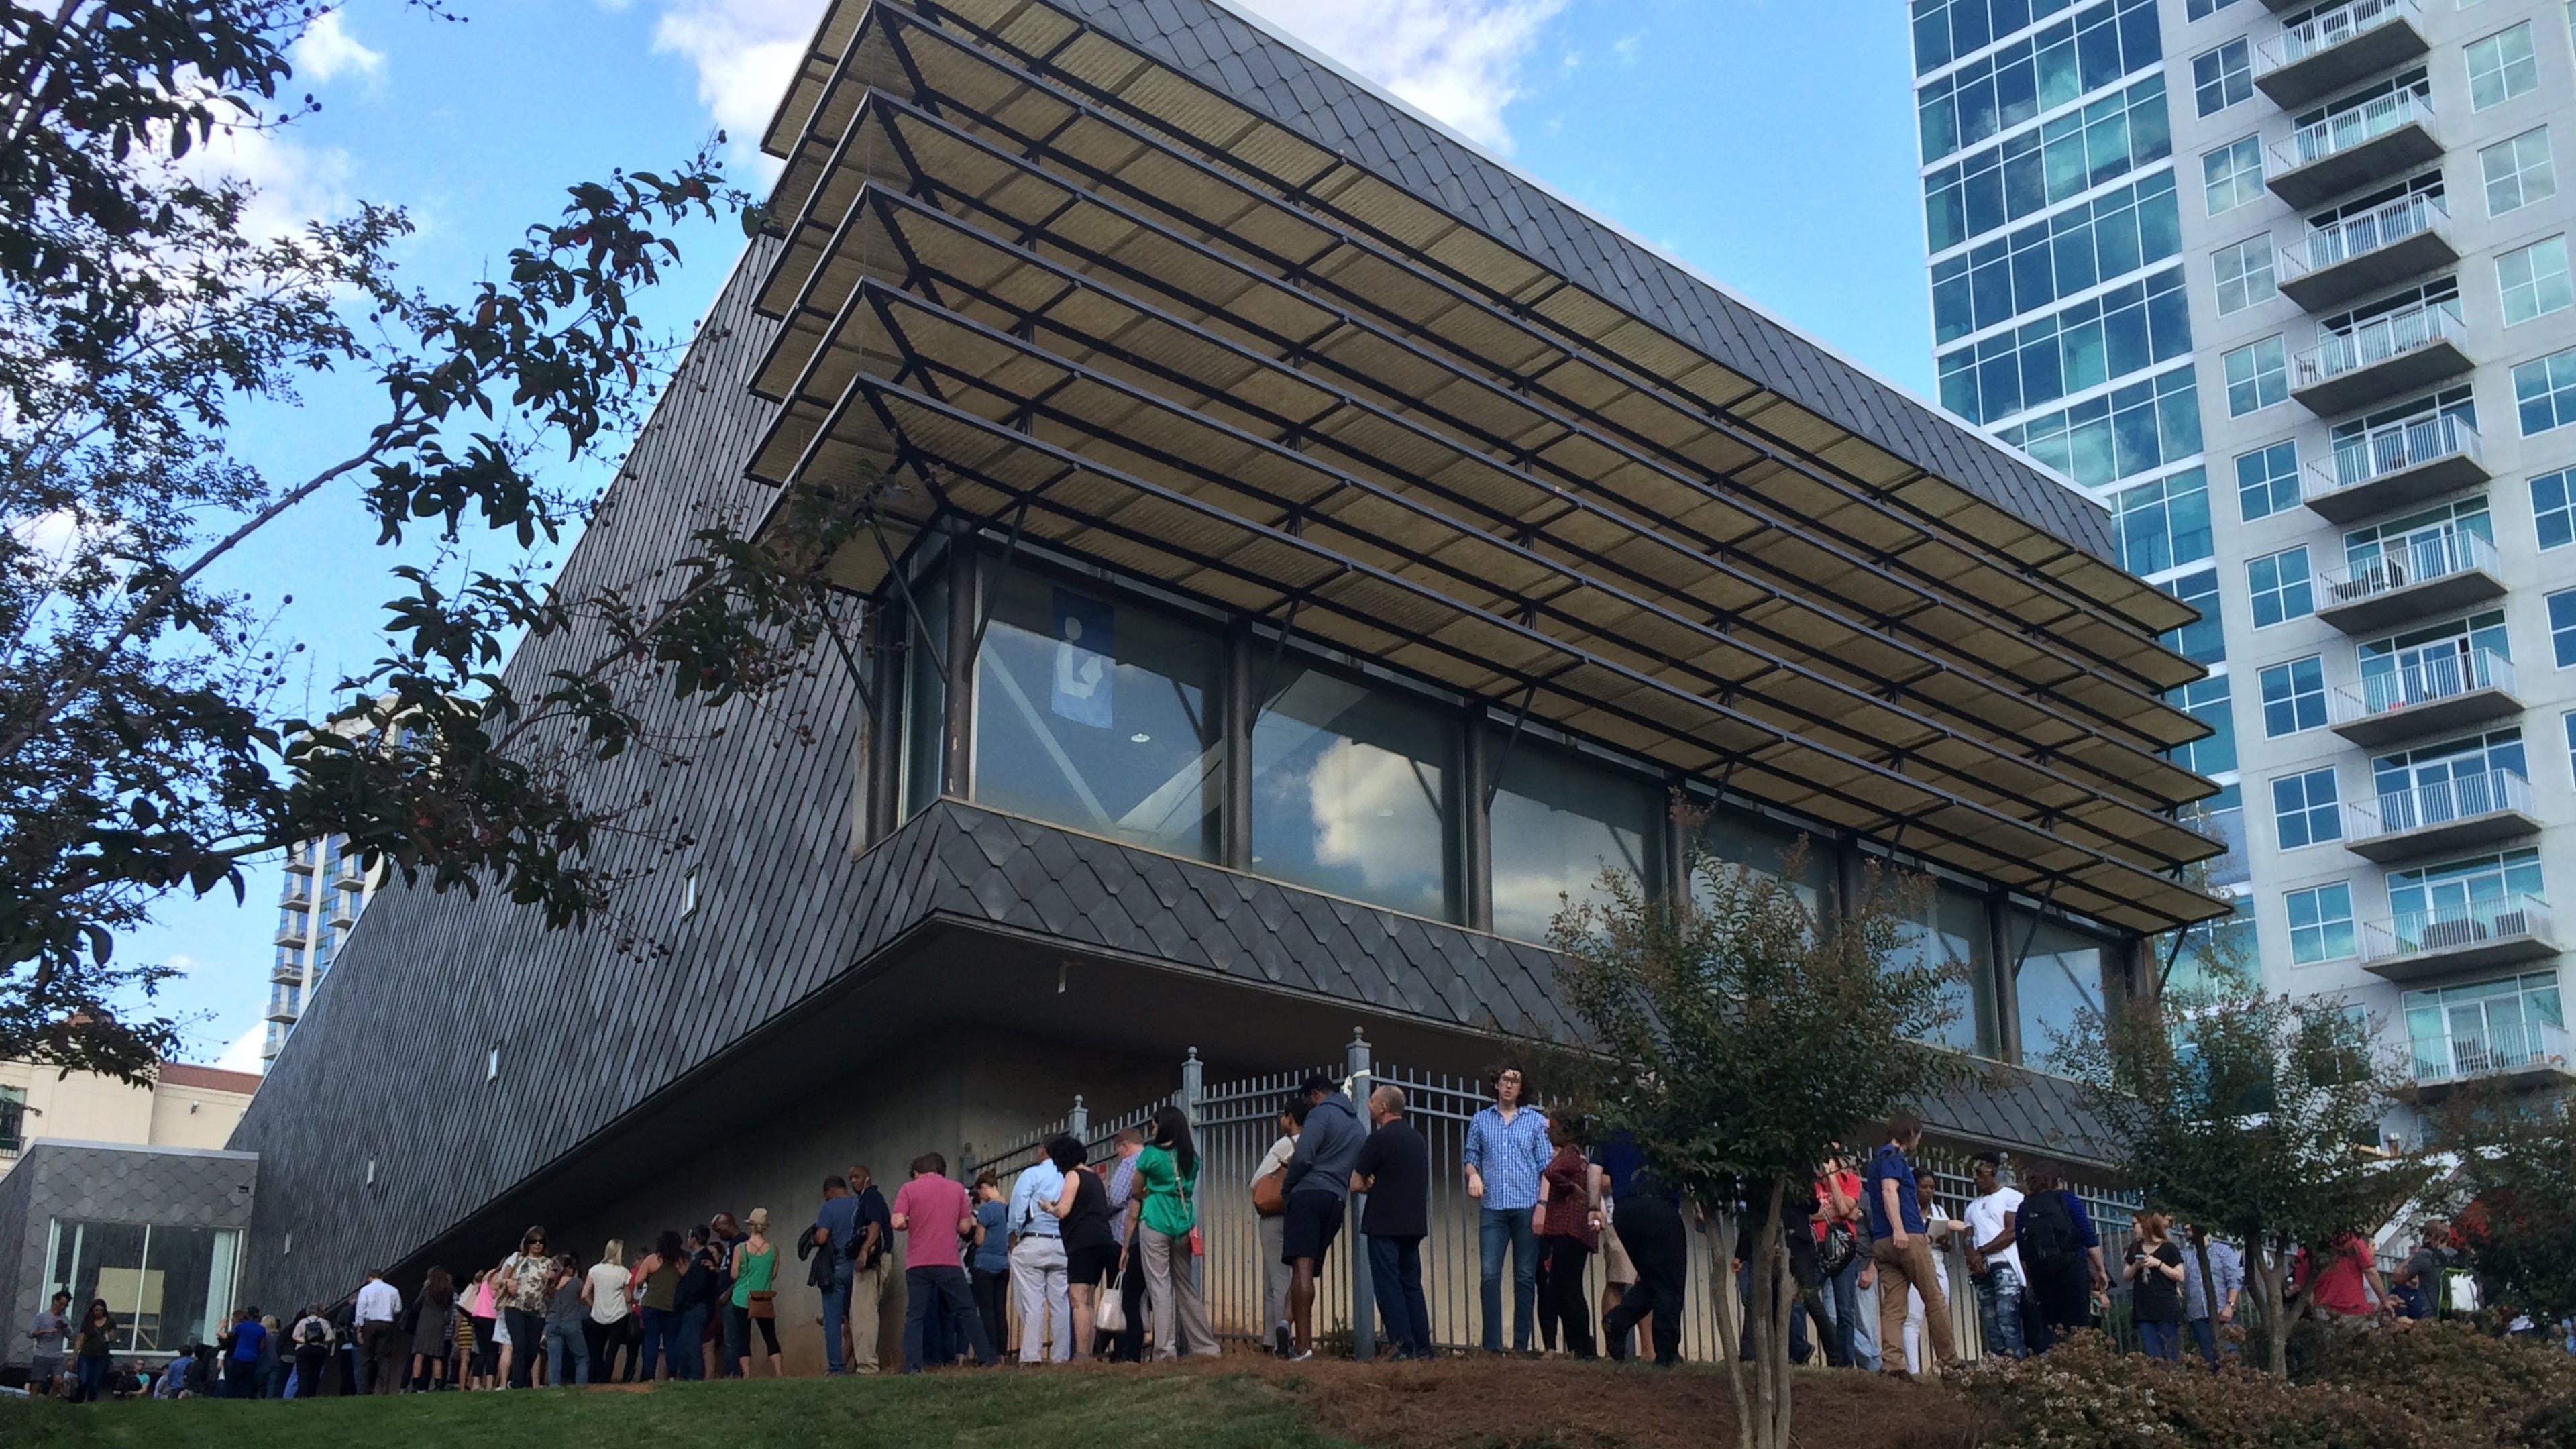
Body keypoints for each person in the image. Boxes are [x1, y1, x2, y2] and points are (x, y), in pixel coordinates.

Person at [1462, 1062, 1549, 1355]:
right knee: (1489, 1274)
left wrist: (1542, 1206)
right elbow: (1470, 1156)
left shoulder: (1535, 1122)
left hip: (1526, 1206)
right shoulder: (1480, 1120)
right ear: (1496, 1085)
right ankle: (1492, 1346)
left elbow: (1546, 1168)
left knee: (1525, 1276)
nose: (1509, 1086)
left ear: (1521, 1088)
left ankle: (1521, 1347)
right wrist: (1473, 1175)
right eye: (1505, 1080)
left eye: (1515, 1081)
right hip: (1493, 1208)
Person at [1865, 1113, 1956, 1377]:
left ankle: (1892, 1363)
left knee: (1893, 1304)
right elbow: (1889, 1191)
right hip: (1905, 1237)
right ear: (1910, 1134)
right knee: (1934, 1298)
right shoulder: (1894, 1158)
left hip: (1881, 1241)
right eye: (1918, 1135)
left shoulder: (1876, 1160)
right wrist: (1900, 1229)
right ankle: (1950, 1362)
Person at [891, 1152, 998, 1371]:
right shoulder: (957, 1189)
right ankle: (987, 1359)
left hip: (918, 1263)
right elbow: (966, 1227)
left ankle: (912, 1366)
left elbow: (898, 1222)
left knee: (915, 1316)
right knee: (967, 1310)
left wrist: (912, 1220)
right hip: (948, 1261)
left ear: (919, 1171)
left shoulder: (909, 1189)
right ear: (941, 1170)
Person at [1283, 1072, 1364, 1361]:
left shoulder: (1321, 1115)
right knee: (1310, 1267)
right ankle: (1287, 1324)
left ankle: (1302, 1346)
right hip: (1336, 1200)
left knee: (1301, 1267)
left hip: (1307, 1195)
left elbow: (1304, 1157)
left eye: (1308, 1100)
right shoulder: (1357, 1126)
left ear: (1316, 1093)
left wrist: (1288, 1186)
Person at [1129, 1103, 1219, 1360]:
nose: (1153, 1128)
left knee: (1160, 1286)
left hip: (1156, 1219)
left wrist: (1148, 1193)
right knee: (1185, 1286)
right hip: (1184, 1222)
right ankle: (1206, 1347)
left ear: (1163, 1126)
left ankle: (1165, 1350)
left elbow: (1136, 1188)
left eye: (1155, 1124)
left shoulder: (1150, 1155)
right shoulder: (1192, 1157)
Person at [1351, 1083, 1433, 1361]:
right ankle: (1423, 1348)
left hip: (1384, 1223)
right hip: (1413, 1224)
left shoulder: (1378, 1139)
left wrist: (1371, 1184)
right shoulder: (1417, 1139)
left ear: (1384, 1107)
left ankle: (1401, 1347)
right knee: (1412, 1285)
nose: (1369, 1105)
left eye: (1372, 1101)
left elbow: (1356, 1182)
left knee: (1389, 1288)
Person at [2004, 1161, 2108, 1354]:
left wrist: (2029, 1278)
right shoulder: (2068, 1200)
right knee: (2078, 1324)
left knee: (2053, 1325)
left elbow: (2023, 1248)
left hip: (2041, 1274)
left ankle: (2059, 1366)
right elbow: (2088, 1237)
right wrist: (2100, 1270)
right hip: (2072, 1268)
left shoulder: (2024, 1207)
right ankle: (2082, 1363)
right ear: (2058, 1181)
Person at [1534, 1114, 1602, 1360]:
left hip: (1566, 1230)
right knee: (1568, 1289)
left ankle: (1584, 1347)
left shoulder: (1569, 1154)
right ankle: (1580, 1346)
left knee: (1565, 1290)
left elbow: (1551, 1171)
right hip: (1578, 1233)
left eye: (1553, 1128)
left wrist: (1570, 1188)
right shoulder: (1582, 1158)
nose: (1548, 1133)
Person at [1603, 1171, 1688, 1367]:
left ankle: (1617, 1321)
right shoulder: (1663, 1140)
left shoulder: (1610, 1139)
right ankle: (1666, 1354)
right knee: (1670, 1283)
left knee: (1654, 1280)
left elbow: (1595, 1171)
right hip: (1660, 1206)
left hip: (1623, 1210)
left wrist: (1593, 1205)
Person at [1005, 1140, 1072, 1364]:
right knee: (1060, 1302)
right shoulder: (1068, 1176)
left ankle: (1031, 1356)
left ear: (1044, 1150)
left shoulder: (1032, 1174)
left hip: (1033, 1241)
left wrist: (1014, 1234)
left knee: (1033, 1304)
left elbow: (1018, 1205)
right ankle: (1060, 1356)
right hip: (1061, 1243)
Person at [1051, 1136, 1116, 1361]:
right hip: (1102, 1240)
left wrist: (1049, 1207)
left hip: (1082, 1242)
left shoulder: (1073, 1176)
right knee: (1089, 1298)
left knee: (1078, 1299)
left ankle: (1081, 1353)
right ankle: (1089, 1351)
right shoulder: (1095, 1178)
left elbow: (1064, 1210)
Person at [1960, 1153, 2025, 1360]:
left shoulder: (2011, 1196)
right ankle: (1999, 1366)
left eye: (1980, 1173)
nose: (1976, 1179)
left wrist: (1982, 1252)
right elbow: (1968, 1237)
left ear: (1993, 1172)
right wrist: (1973, 1258)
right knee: (1991, 1322)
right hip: (1981, 1269)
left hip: (2004, 1264)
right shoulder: (1971, 1208)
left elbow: (2011, 1232)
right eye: (1974, 1175)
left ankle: (2017, 1363)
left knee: (2007, 1317)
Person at [1809, 1146, 1866, 1368]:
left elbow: (1843, 1207)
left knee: (1845, 1311)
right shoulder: (1811, 1183)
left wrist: (1832, 1178)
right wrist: (1841, 1212)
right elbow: (1808, 1214)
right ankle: (1805, 1352)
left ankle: (1845, 1362)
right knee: (1808, 1301)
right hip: (1818, 1247)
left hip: (1843, 1249)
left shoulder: (1850, 1180)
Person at [1095, 1129, 1149, 1362]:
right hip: (1148, 1236)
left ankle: (1123, 1350)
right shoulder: (1151, 1160)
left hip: (1123, 1236)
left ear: (1124, 1146)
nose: (1117, 1155)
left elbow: (1116, 1199)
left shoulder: (1129, 1165)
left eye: (1117, 1150)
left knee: (1124, 1296)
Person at [1252, 1099, 1300, 1356]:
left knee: (1277, 1278)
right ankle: (1272, 1338)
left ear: (1290, 1118)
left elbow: (1256, 1180)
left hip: (1274, 1215)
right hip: (1295, 1214)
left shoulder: (1286, 1145)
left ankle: (1279, 1337)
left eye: (1282, 1115)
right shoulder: (1313, 1143)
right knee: (1283, 1275)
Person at [1902, 1176, 1965, 1375]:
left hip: (1937, 1262)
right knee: (1913, 1317)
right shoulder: (1908, 1211)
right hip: (1917, 1263)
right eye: (1924, 1187)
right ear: (1915, 1188)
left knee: (1941, 1314)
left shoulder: (1939, 1211)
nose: (1929, 1191)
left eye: (1932, 1188)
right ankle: (1913, 1369)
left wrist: (1944, 1240)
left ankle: (1945, 1363)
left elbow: (1947, 1245)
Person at [1591, 1130, 1645, 1359]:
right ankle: (1612, 1350)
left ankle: (1649, 1351)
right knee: (1618, 1280)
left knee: (1646, 1282)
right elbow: (1599, 1179)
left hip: (1646, 1217)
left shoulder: (1649, 1138)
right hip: (1616, 1218)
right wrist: (1630, 1178)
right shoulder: (1610, 1138)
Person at [809, 1175, 861, 1374]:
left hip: (837, 1268)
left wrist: (812, 1239)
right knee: (857, 1317)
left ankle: (836, 1367)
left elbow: (822, 1238)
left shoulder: (829, 1208)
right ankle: (860, 1362)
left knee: (832, 1319)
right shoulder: (858, 1203)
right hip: (858, 1267)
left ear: (830, 1192)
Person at [847, 1165, 894, 1374]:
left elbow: (875, 1226)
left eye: (856, 1177)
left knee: (864, 1314)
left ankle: (868, 1367)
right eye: (850, 1178)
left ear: (867, 1178)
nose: (853, 1181)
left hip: (872, 1262)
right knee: (860, 1313)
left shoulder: (872, 1197)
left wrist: (864, 1251)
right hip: (870, 1261)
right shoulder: (864, 1200)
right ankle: (865, 1363)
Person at [2125, 1211, 2187, 1360]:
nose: (2132, 1228)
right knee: (2153, 1355)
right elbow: (2126, 1276)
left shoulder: (2169, 1248)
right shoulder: (2134, 1248)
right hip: (2144, 1309)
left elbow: (2180, 1275)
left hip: (2165, 1308)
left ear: (2146, 1225)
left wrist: (2158, 1264)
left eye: (2135, 1224)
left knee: (2170, 1353)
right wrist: (2136, 1266)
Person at [731, 1208, 785, 1377]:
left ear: (751, 1226)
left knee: (743, 1337)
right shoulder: (774, 1249)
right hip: (763, 1298)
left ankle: (747, 1374)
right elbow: (773, 1274)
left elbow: (733, 1274)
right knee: (770, 1335)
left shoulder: (741, 1248)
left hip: (742, 1298)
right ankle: (779, 1372)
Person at [497, 1228, 553, 1389]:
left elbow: (550, 1293)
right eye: (533, 1241)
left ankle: (519, 1377)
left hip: (537, 1309)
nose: (537, 1244)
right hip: (515, 1306)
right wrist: (508, 1282)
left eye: (541, 1242)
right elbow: (498, 1281)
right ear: (527, 1243)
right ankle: (517, 1384)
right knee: (519, 1345)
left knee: (532, 1350)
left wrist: (550, 1281)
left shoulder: (548, 1263)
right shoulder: (517, 1259)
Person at [2181, 1224, 2243, 1364]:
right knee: (2209, 1358)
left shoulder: (2222, 1251)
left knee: (2229, 1356)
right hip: (2197, 1315)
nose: (2185, 1229)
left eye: (2189, 1228)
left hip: (2222, 1312)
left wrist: (2230, 1305)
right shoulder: (2184, 1255)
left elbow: (2234, 1279)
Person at [633, 1229, 688, 1380]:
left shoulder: (652, 1260)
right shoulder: (681, 1262)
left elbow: (638, 1280)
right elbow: (688, 1279)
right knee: (671, 1342)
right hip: (672, 1307)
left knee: (652, 1341)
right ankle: (672, 1376)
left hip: (651, 1305)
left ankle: (649, 1376)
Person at [2297, 1232, 2387, 1324]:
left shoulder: (2305, 1252)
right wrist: (2385, 1301)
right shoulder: (2352, 1241)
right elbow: (2370, 1271)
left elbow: (2304, 1289)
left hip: (2325, 1312)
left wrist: (2316, 1310)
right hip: (2355, 1310)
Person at [969, 1172, 1011, 1360]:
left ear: (984, 1188)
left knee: (986, 1311)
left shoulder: (986, 1210)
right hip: (1003, 1264)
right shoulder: (1008, 1208)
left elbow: (979, 1239)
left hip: (985, 1264)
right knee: (1000, 1310)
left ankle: (989, 1352)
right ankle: (1002, 1352)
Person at [580, 1242, 631, 1387]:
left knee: (596, 1351)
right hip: (618, 1316)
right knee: (612, 1351)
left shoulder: (594, 1270)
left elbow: (584, 1295)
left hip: (598, 1315)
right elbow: (627, 1298)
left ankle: (592, 1379)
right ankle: (605, 1381)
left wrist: (594, 1304)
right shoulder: (624, 1272)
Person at [675, 1226, 720, 1381]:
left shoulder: (703, 1260)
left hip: (697, 1307)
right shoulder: (698, 1259)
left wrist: (687, 1302)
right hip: (695, 1307)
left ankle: (695, 1377)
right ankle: (687, 1375)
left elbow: (698, 1286)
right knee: (684, 1344)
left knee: (692, 1344)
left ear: (693, 1239)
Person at [708, 1211, 746, 1378]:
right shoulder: (732, 1244)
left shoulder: (741, 1242)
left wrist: (727, 1293)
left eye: (719, 1230)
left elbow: (744, 1273)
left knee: (732, 1337)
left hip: (733, 1297)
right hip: (725, 1296)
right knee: (728, 1336)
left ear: (727, 1225)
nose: (718, 1235)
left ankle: (732, 1373)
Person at [354, 1267, 404, 1393]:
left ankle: (365, 1389)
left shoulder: (365, 1290)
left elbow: (360, 1310)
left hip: (370, 1323)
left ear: (370, 1277)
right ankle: (385, 1388)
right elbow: (398, 1308)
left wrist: (359, 1329)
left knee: (366, 1358)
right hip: (387, 1323)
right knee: (384, 1357)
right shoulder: (393, 1290)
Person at [543, 1253, 590, 1386]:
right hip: (571, 1322)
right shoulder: (575, 1282)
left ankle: (554, 1388)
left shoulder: (549, 1286)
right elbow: (584, 1297)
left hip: (552, 1324)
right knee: (582, 1357)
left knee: (554, 1360)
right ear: (568, 1268)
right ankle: (580, 1387)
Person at [2392, 1222, 2451, 1322]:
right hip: (2453, 1312)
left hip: (2431, 1314)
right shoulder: (2454, 1256)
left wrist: (2413, 1255)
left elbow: (2397, 1278)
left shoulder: (2426, 1256)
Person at [409, 1269, 455, 1392]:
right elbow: (450, 1310)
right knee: (437, 1355)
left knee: (419, 1355)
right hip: (439, 1324)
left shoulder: (427, 1290)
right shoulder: (448, 1291)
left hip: (425, 1322)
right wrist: (447, 1322)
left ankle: (415, 1386)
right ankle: (439, 1385)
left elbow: (416, 1305)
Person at [27, 1289, 70, 1397]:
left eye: (66, 1305)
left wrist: (64, 1328)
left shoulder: (65, 1319)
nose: (63, 1307)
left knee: (59, 1380)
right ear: (55, 1301)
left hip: (58, 1355)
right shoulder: (41, 1317)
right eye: (61, 1304)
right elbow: (30, 1333)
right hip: (42, 1354)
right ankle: (31, 1404)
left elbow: (71, 1336)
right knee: (37, 1384)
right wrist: (45, 1331)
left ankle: (49, 1403)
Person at [71, 1298, 115, 1403]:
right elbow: (81, 1338)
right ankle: (79, 1399)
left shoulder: (110, 1321)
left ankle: (91, 1401)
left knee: (95, 1382)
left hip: (101, 1356)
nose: (99, 1313)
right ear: (93, 1311)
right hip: (86, 1354)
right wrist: (74, 1355)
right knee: (83, 1380)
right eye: (96, 1311)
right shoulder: (88, 1322)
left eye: (101, 1311)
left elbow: (113, 1337)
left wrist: (109, 1336)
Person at [217, 1306, 264, 1397]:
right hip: (253, 1359)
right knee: (246, 1383)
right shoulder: (261, 1329)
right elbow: (262, 1346)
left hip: (239, 1357)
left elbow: (231, 1337)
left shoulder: (241, 1327)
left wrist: (220, 1329)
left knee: (232, 1382)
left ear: (247, 1315)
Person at [465, 1268, 500, 1390]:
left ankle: (476, 1382)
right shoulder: (498, 1279)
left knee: (482, 1351)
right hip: (490, 1317)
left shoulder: (486, 1278)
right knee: (492, 1351)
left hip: (477, 1315)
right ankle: (490, 1383)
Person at [291, 1306, 333, 1399]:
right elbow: (330, 1337)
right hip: (319, 1349)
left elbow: (295, 1336)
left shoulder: (302, 1322)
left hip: (304, 1350)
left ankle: (302, 1394)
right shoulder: (324, 1322)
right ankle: (312, 1394)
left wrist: (305, 1341)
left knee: (303, 1373)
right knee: (315, 1373)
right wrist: (321, 1341)